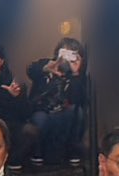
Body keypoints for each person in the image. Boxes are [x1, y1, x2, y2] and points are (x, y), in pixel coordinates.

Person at [24, 38, 88, 167]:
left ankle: (72, 152)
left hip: (64, 112)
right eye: (64, 53)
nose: (67, 58)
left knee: (78, 113)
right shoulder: (47, 64)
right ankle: (37, 152)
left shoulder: (78, 77)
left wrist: (75, 73)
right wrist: (47, 68)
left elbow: (79, 100)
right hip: (43, 110)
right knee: (40, 119)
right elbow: (31, 69)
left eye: (72, 54)